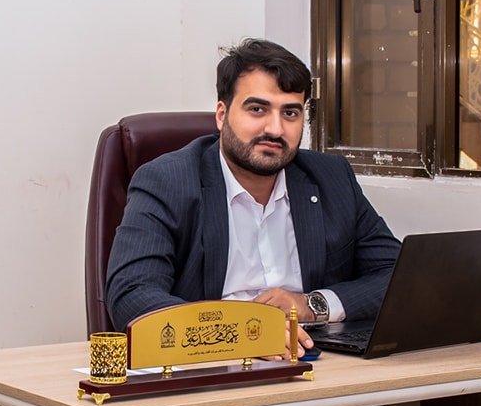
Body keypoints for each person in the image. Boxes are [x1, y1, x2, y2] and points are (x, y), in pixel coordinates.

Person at [105, 38, 402, 360]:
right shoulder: (168, 181)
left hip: (316, 362)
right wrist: (245, 333)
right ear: (222, 115)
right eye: (257, 109)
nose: (275, 129)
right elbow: (132, 294)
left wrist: (312, 304)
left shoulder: (331, 178)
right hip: (212, 368)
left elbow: (398, 276)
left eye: (290, 113)